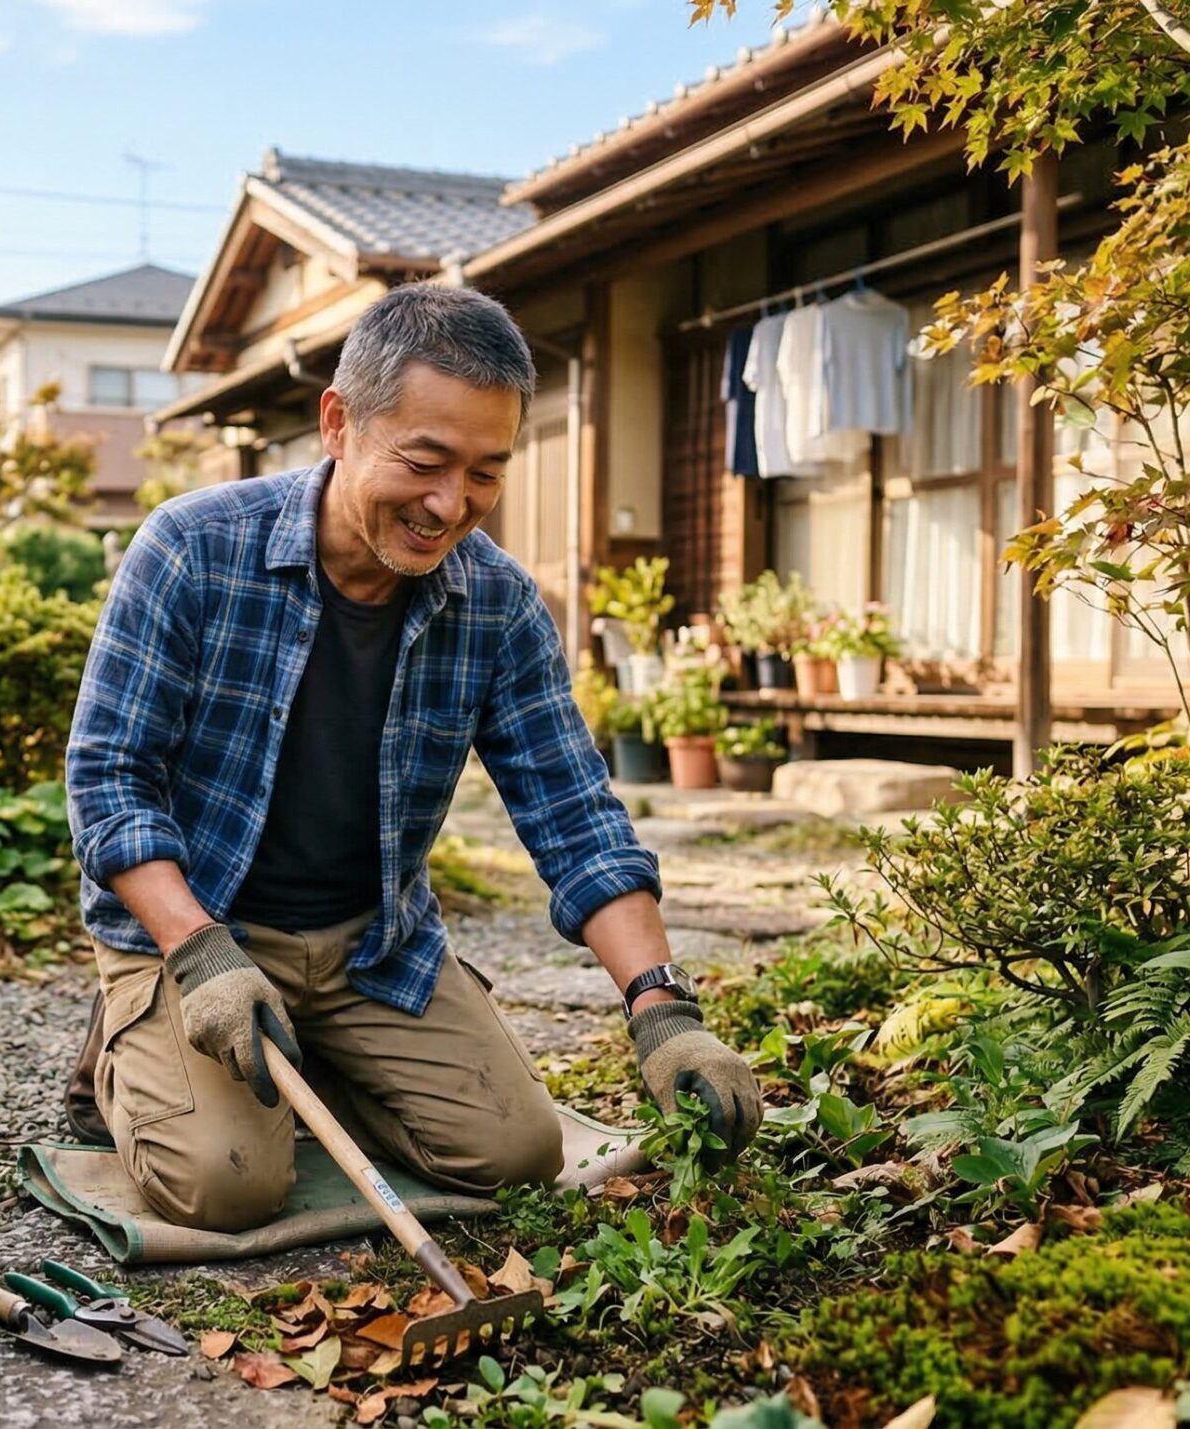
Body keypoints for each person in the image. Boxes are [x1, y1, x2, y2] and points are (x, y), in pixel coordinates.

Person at [63, 285, 761, 1232]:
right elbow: (109, 780)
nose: (449, 505)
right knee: (227, 1185)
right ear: (339, 422)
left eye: (485, 473)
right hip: (196, 931)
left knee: (515, 1156)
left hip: (370, 945)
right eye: (426, 461)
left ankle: (321, 1050)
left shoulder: (500, 605)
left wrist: (663, 1011)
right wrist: (198, 951)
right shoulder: (190, 549)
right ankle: (125, 1039)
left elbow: (574, 814)